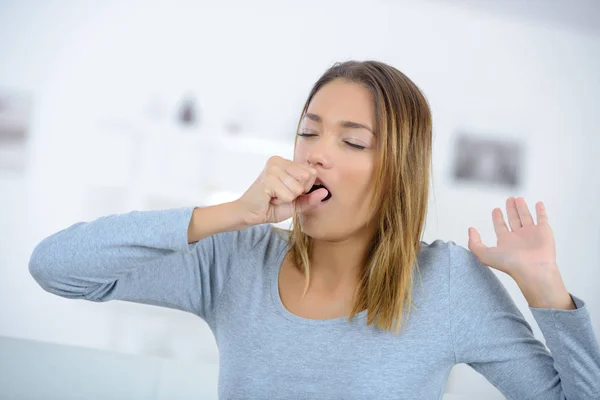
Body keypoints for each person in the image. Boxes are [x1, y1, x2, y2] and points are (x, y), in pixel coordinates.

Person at [29, 60, 600, 399]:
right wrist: (228, 212)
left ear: (397, 171)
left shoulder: (447, 281)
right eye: (308, 132)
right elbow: (57, 268)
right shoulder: (235, 258)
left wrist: (545, 288)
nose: (318, 154)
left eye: (351, 141)